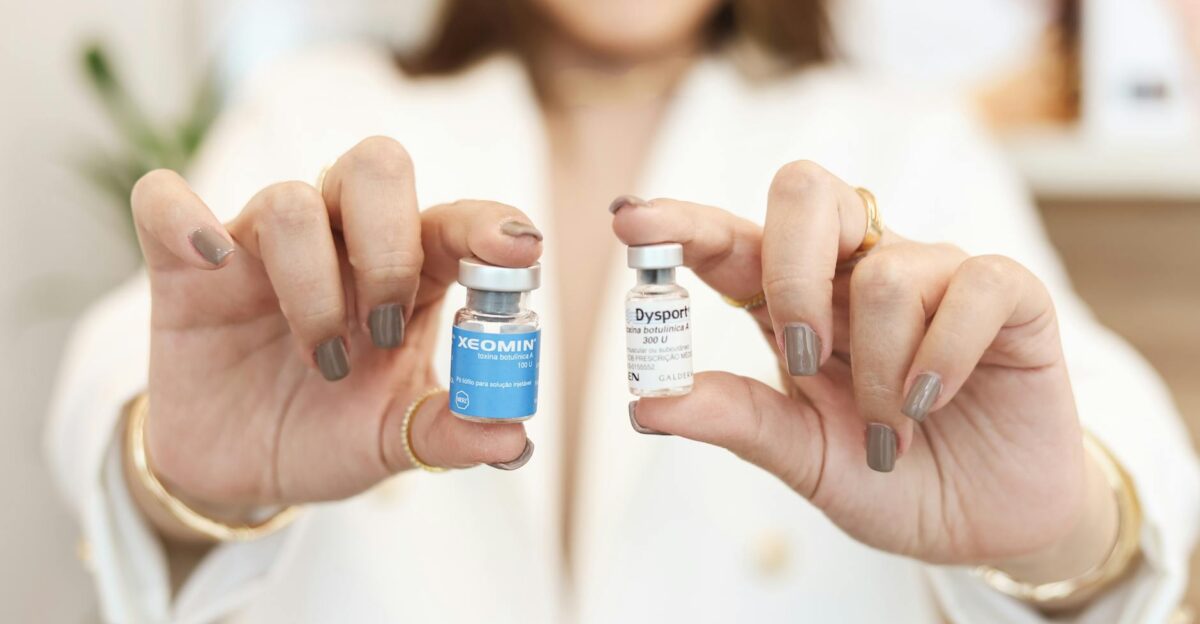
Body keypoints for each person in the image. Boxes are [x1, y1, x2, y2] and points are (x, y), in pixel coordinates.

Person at [46, 0, 1199, 622]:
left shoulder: (903, 138)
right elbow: (126, 378)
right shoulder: (314, 108)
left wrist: (1057, 533)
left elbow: (1115, 439)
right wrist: (187, 481)